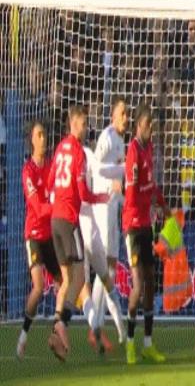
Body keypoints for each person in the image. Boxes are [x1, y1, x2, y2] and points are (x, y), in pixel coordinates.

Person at [47, 106, 110, 360]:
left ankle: (58, 328)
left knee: (67, 279)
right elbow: (83, 193)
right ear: (73, 124)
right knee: (80, 278)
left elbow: (51, 181)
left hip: (54, 220)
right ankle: (62, 323)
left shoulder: (60, 148)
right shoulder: (77, 152)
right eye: (83, 124)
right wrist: (100, 197)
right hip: (68, 221)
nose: (86, 128)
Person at [123, 103, 168, 365]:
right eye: (148, 124)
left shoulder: (149, 148)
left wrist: (162, 205)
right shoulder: (132, 152)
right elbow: (131, 194)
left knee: (151, 282)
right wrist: (149, 199)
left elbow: (151, 184)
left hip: (146, 225)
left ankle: (148, 344)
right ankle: (130, 342)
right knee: (138, 285)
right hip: (132, 225)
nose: (151, 128)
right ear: (139, 125)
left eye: (152, 124)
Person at [17, 121, 62, 359]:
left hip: (49, 235)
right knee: (38, 285)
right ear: (32, 140)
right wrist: (58, 207)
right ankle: (23, 335)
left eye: (45, 134)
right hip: (34, 234)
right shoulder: (28, 171)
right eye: (39, 135)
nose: (43, 139)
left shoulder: (52, 166)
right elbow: (37, 207)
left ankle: (56, 333)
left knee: (63, 283)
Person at [79, 145, 125, 353]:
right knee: (95, 275)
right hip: (92, 219)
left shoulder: (110, 160)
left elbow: (118, 193)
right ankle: (98, 325)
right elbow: (99, 177)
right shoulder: (90, 155)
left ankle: (101, 325)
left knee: (108, 272)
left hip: (106, 218)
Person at [90, 97, 128, 347]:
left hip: (113, 206)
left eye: (127, 113)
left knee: (111, 265)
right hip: (102, 206)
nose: (126, 118)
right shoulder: (106, 138)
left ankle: (104, 323)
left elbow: (118, 176)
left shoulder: (121, 142)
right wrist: (109, 186)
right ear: (113, 116)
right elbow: (96, 168)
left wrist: (123, 199)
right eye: (122, 113)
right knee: (104, 265)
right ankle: (98, 324)